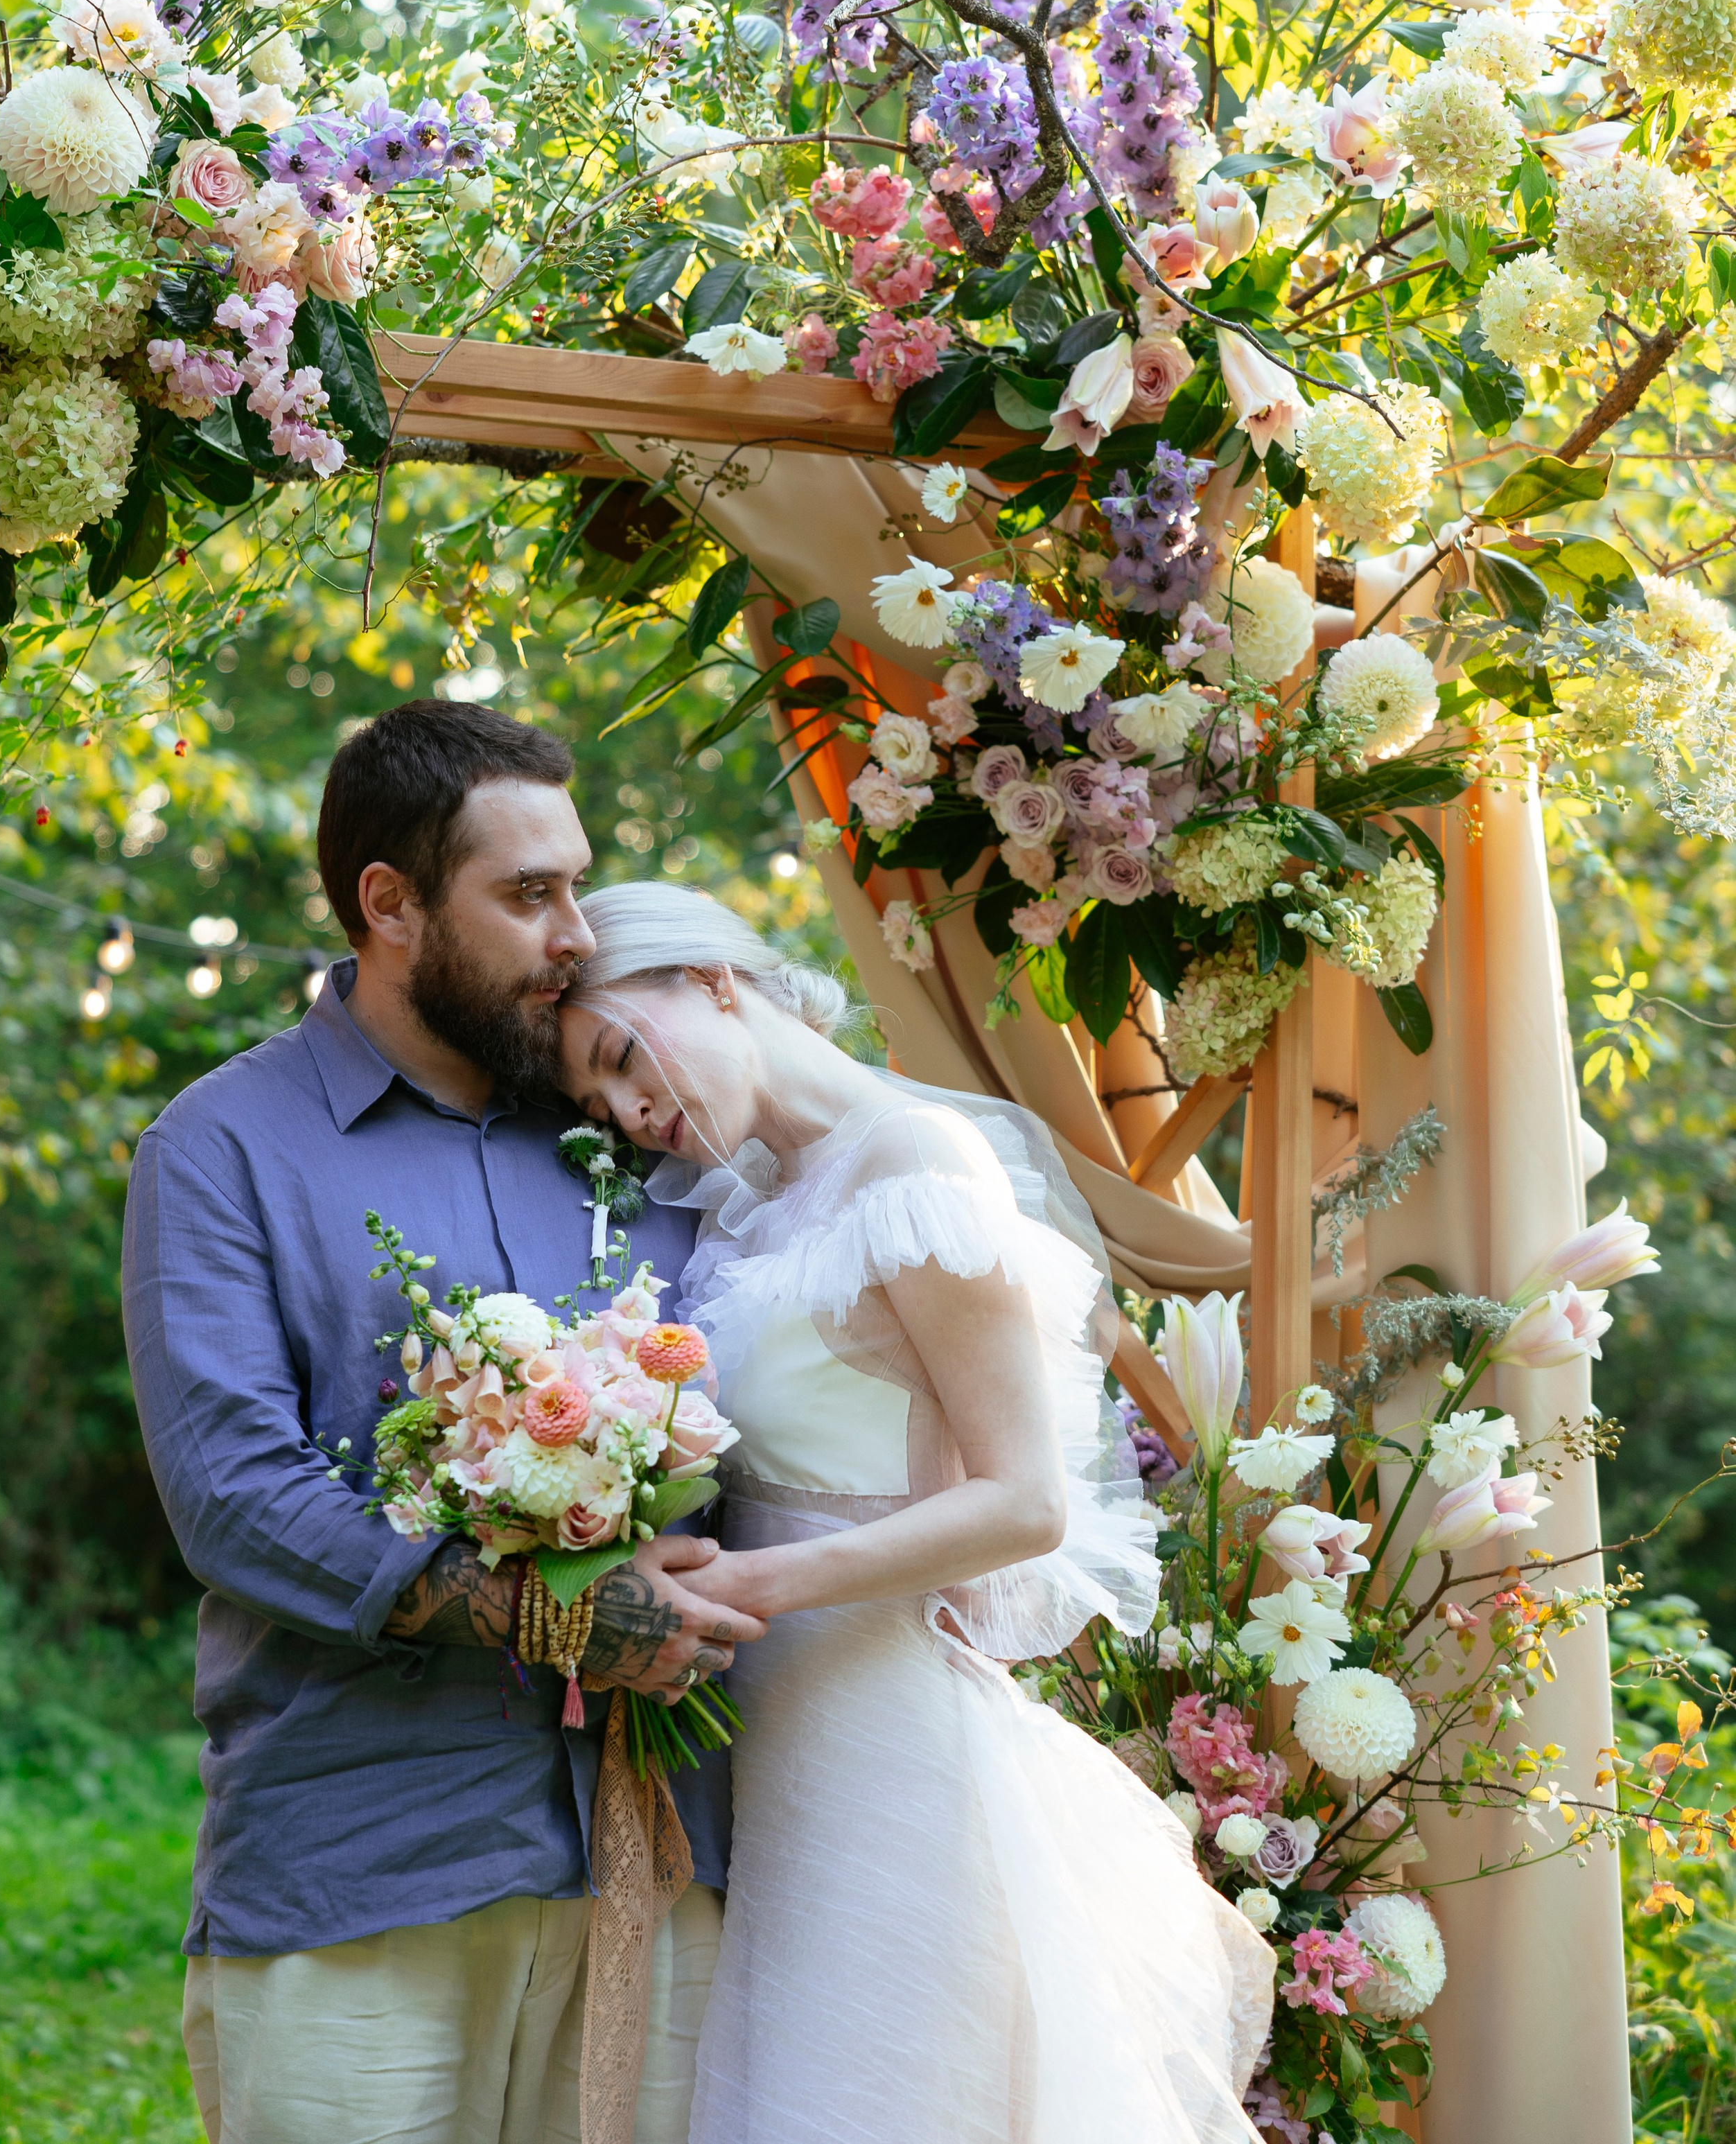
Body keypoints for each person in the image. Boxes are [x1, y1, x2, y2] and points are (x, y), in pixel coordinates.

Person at [122, 701, 762, 2144]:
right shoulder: (223, 1149)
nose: (577, 935)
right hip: (367, 1858)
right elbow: (230, 1492)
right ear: (390, 906)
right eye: (527, 894)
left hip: (655, 1856)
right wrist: (535, 1612)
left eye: (577, 883)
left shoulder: (635, 1133)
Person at [557, 881, 1277, 2144]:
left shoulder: (916, 1164)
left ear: (712, 978)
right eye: (600, 1104)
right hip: (767, 1748)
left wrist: (756, 1586)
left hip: (886, 1733)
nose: (630, 1112)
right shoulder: (758, 1201)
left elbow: (1022, 1502)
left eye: (623, 1057)